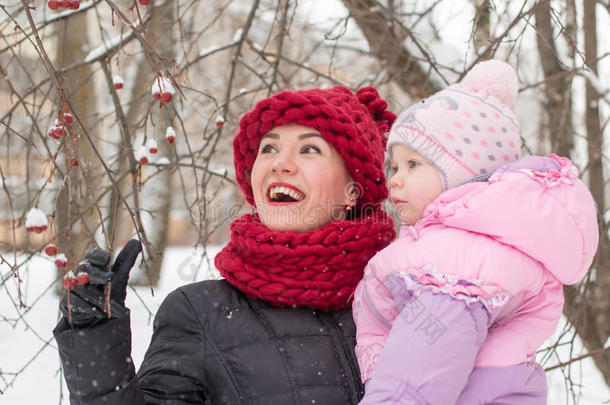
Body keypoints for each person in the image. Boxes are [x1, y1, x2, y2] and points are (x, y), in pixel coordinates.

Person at [53, 86, 397, 404]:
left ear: (354, 190)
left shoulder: (406, 298)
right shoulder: (200, 312)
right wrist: (94, 346)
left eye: (309, 148)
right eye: (269, 148)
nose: (280, 163)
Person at [352, 60, 599, 404]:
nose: (394, 178)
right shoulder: (476, 246)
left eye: (413, 164)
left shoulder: (454, 263)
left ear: (463, 175)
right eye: (394, 165)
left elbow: (418, 376)